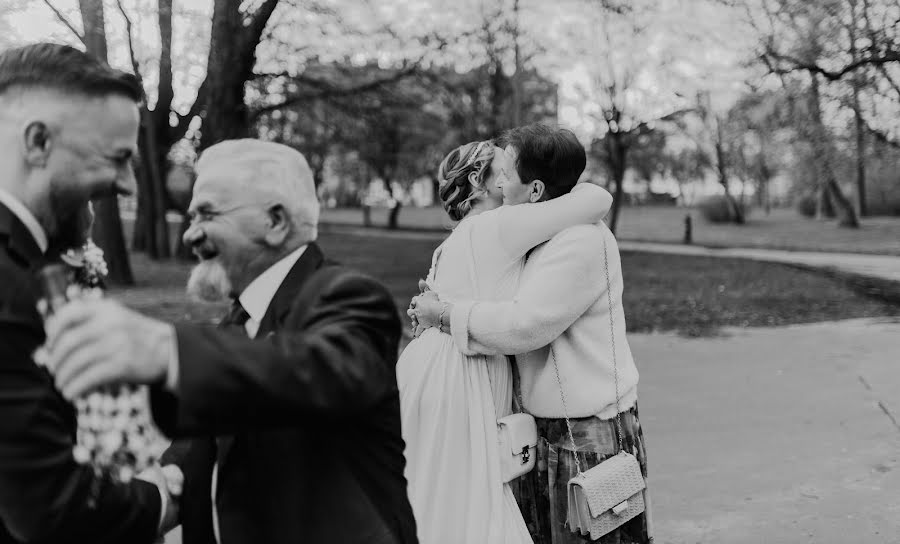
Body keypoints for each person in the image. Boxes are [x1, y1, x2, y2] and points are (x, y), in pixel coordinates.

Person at [44, 139, 418, 544]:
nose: (190, 235)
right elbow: (197, 452)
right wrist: (143, 499)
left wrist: (164, 349)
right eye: (191, 217)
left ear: (275, 222)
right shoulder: (236, 325)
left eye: (207, 214)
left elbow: (315, 372)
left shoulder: (350, 297)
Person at [410, 124, 652, 544]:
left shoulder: (580, 241)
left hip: (589, 429)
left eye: (508, 172)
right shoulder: (534, 236)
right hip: (542, 427)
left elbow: (526, 325)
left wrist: (446, 314)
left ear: (535, 190)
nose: (501, 182)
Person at [0, 42, 176, 543]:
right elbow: (50, 509)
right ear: (38, 143)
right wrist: (159, 497)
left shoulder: (25, 266)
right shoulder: (9, 286)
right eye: (117, 159)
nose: (125, 185)